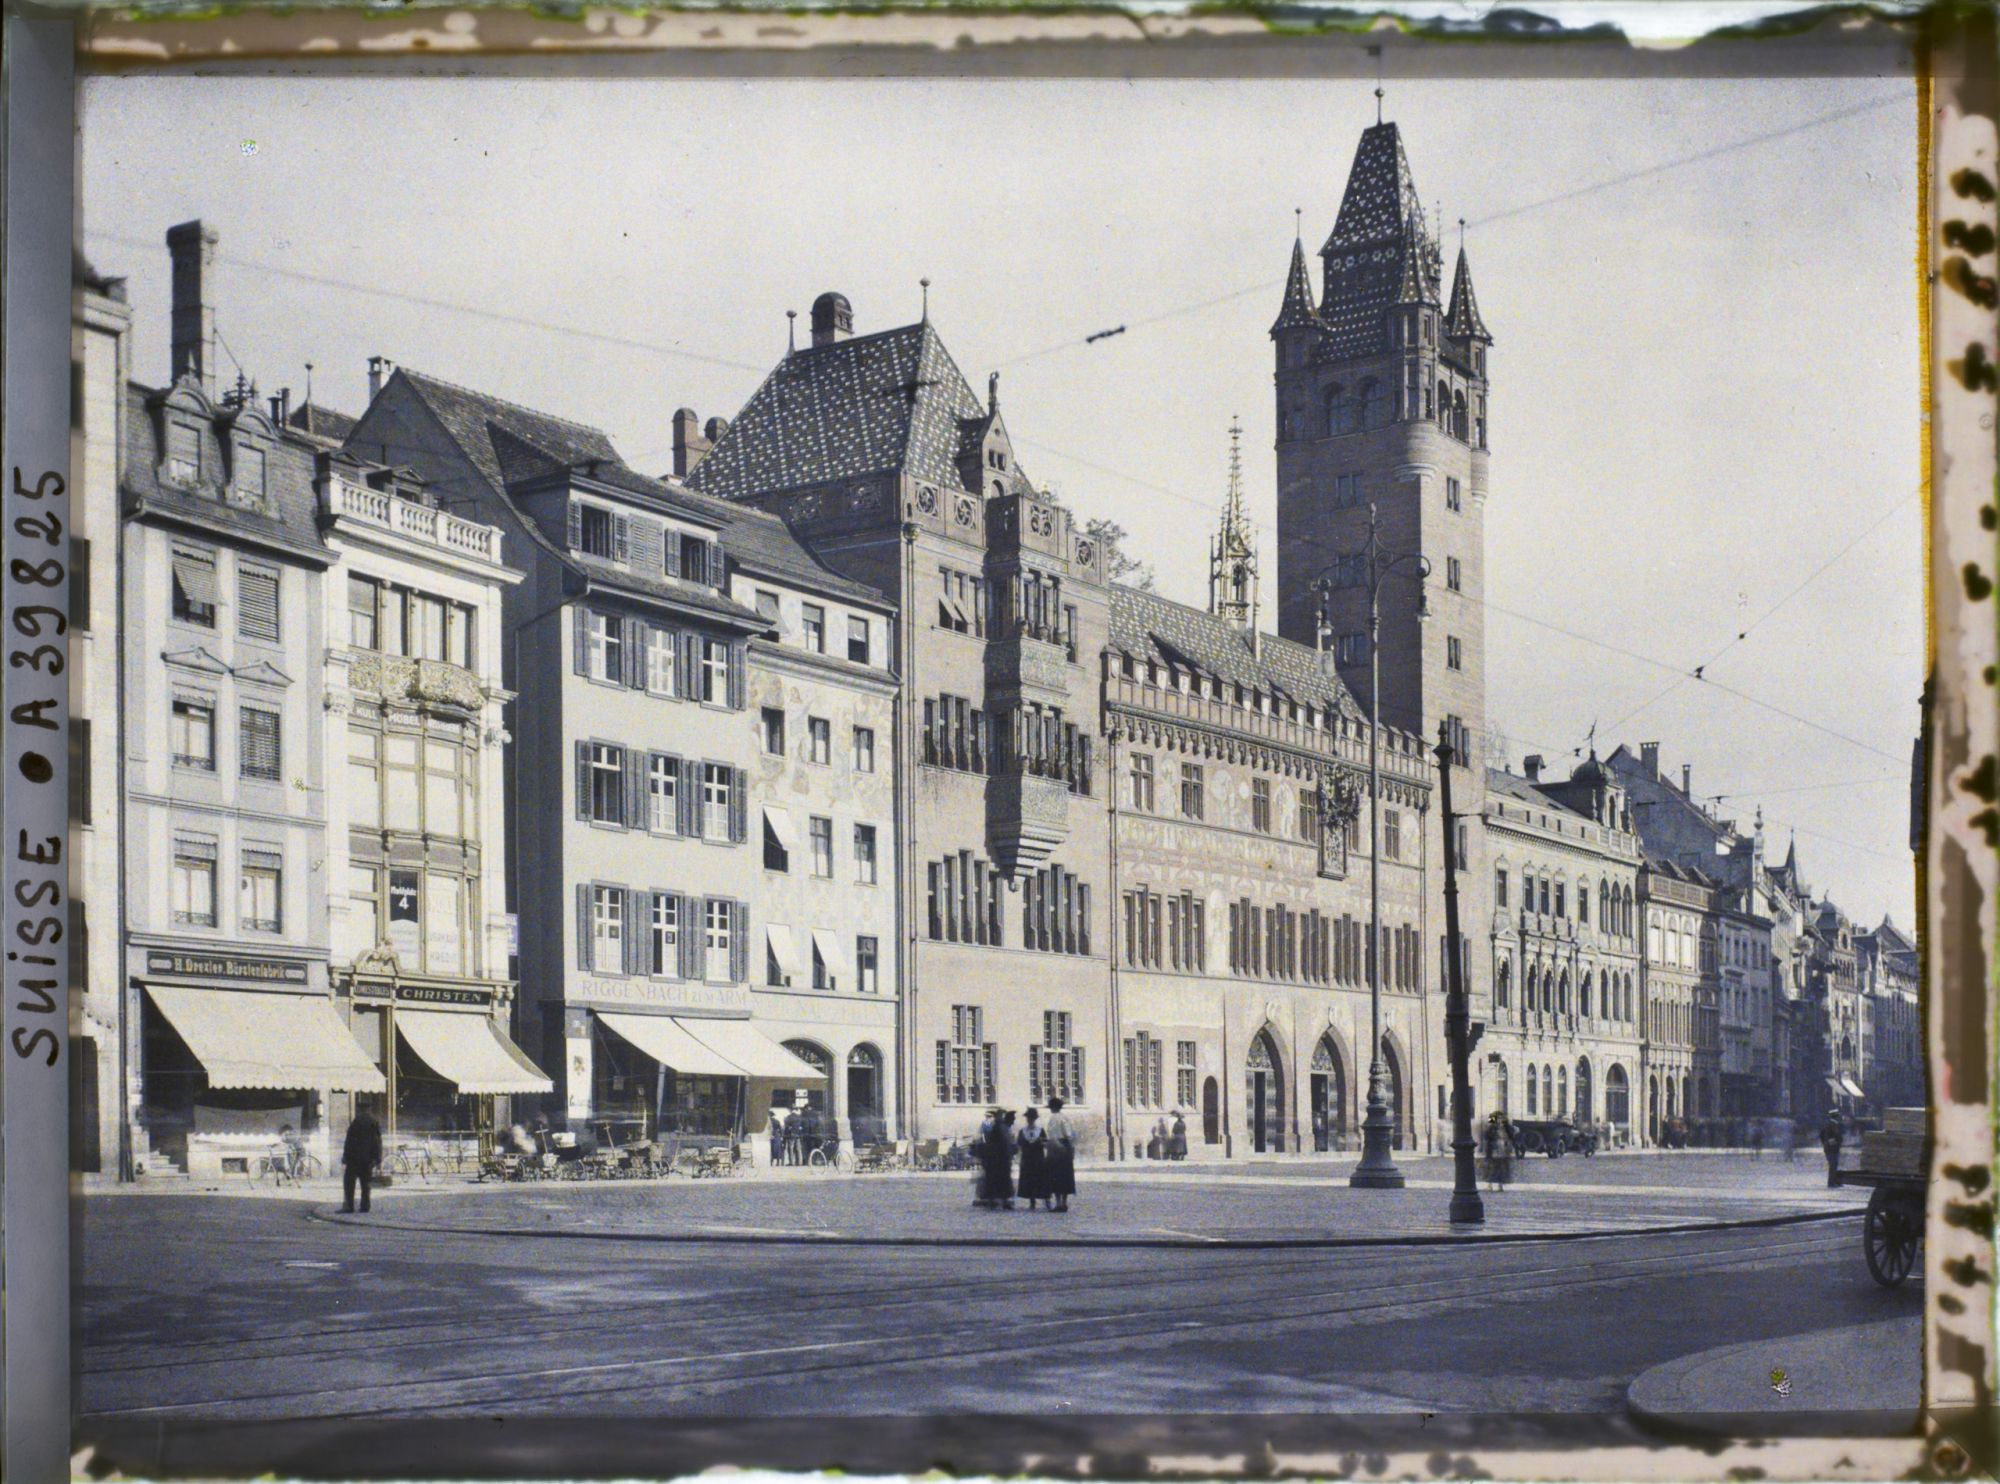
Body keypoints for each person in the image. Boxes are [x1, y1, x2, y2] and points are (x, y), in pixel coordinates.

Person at [341, 1101, 383, 1214]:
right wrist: (378, 1159)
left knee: (349, 1184)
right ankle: (365, 1206)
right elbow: (377, 1142)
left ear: (360, 1110)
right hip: (367, 1160)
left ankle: (349, 1206)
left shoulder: (356, 1122)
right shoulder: (373, 1122)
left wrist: (345, 1156)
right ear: (369, 1109)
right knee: (366, 1185)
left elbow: (349, 1141)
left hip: (353, 1159)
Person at [1044, 1095, 1077, 1213]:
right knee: (1066, 1175)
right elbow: (1069, 1135)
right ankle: (1064, 1202)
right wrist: (1071, 1149)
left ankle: (1058, 1203)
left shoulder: (1053, 1119)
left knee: (1056, 1176)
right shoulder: (1065, 1118)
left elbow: (1052, 1136)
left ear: (1052, 1108)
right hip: (1065, 1147)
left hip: (1056, 1148)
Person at [980, 1108, 1016, 1210]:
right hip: (999, 1158)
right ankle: (999, 1201)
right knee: (1001, 1179)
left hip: (999, 1157)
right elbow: (1003, 1142)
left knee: (998, 1179)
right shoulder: (999, 1127)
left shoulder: (999, 1127)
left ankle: (997, 1200)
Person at [1017, 1107, 1051, 1209]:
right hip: (1027, 1158)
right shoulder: (1022, 1131)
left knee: (1041, 1179)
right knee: (1029, 1179)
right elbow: (1019, 1145)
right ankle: (1032, 1201)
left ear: (1035, 1119)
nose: (1030, 1120)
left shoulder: (1040, 1130)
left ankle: (1046, 1200)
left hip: (1038, 1158)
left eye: (1032, 1118)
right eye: (1028, 1118)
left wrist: (1042, 1143)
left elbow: (1046, 1144)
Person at [1820, 1109, 1846, 1187]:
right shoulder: (1832, 1125)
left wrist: (1825, 1143)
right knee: (1833, 1165)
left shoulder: (1830, 1124)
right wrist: (1834, 1144)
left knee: (1834, 1165)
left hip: (1830, 1148)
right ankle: (1831, 1183)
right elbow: (1833, 1136)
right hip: (1832, 1149)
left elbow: (1821, 1135)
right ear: (1836, 1116)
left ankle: (1833, 1182)